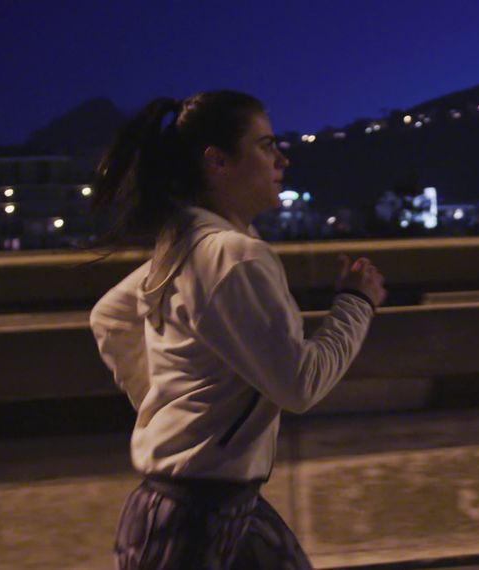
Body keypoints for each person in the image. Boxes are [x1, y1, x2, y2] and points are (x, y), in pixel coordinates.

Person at [88, 90, 386, 569]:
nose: (281, 158)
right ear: (218, 162)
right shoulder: (230, 255)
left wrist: (166, 407)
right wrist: (356, 303)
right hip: (192, 517)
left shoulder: (188, 241)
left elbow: (111, 316)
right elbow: (300, 385)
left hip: (217, 502)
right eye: (266, 145)